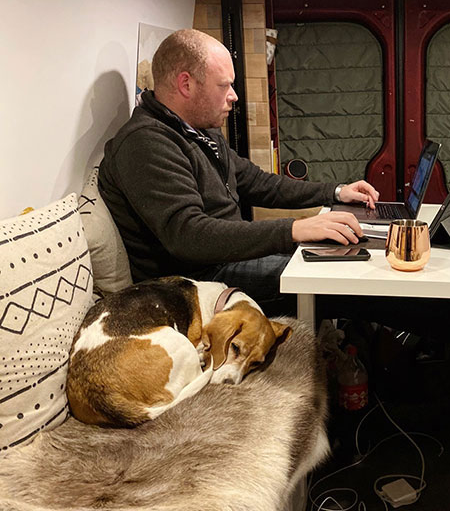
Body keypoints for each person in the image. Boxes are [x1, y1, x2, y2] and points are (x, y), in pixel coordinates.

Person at [99, 29, 379, 309]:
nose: (233, 96)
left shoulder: (200, 129)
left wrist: (336, 192)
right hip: (197, 283)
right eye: (224, 86)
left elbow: (259, 183)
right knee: (350, 281)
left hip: (228, 261)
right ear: (186, 84)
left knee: (353, 255)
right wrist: (294, 229)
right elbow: (188, 235)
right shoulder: (145, 143)